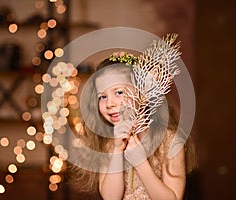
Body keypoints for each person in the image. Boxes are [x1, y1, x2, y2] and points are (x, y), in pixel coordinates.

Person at [67, 52, 197, 200]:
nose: (110, 103)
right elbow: (111, 197)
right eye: (103, 96)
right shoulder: (109, 144)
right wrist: (116, 151)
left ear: (143, 93)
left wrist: (141, 163)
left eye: (119, 92)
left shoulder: (169, 143)